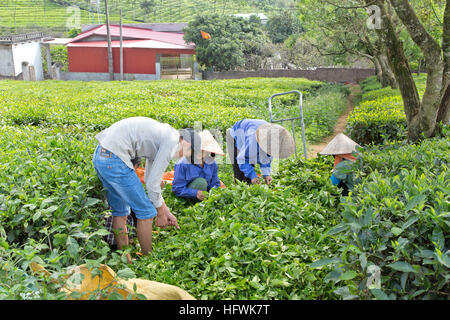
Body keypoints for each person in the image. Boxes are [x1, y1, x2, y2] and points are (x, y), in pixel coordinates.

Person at [92, 117, 193, 263]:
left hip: (101, 155)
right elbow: (152, 184)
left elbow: (151, 179)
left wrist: (165, 211)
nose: (183, 156)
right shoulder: (171, 142)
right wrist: (159, 213)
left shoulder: (163, 135)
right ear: (186, 143)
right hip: (115, 158)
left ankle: (125, 260)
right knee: (146, 212)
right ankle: (148, 261)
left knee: (120, 211)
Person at [226, 119, 295, 185]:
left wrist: (266, 174)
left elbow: (266, 158)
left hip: (251, 132)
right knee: (240, 172)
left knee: (250, 165)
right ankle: (240, 190)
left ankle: (250, 183)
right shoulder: (252, 140)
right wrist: (252, 176)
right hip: (235, 135)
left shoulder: (273, 140)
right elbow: (242, 159)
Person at [172, 129, 224, 201]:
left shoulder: (212, 164)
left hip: (205, 196)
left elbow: (215, 183)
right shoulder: (183, 164)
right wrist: (195, 193)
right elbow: (177, 188)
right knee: (201, 182)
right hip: (188, 196)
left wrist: (214, 193)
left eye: (203, 150)